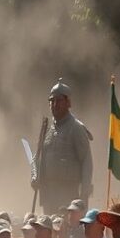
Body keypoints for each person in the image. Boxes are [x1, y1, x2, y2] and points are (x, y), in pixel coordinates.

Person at [32, 78, 94, 214]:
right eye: (52, 101)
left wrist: (83, 195)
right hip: (48, 193)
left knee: (64, 230)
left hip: (68, 194)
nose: (55, 104)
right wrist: (34, 175)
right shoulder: (46, 128)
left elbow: (86, 162)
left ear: (68, 102)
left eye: (59, 101)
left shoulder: (76, 128)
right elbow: (37, 158)